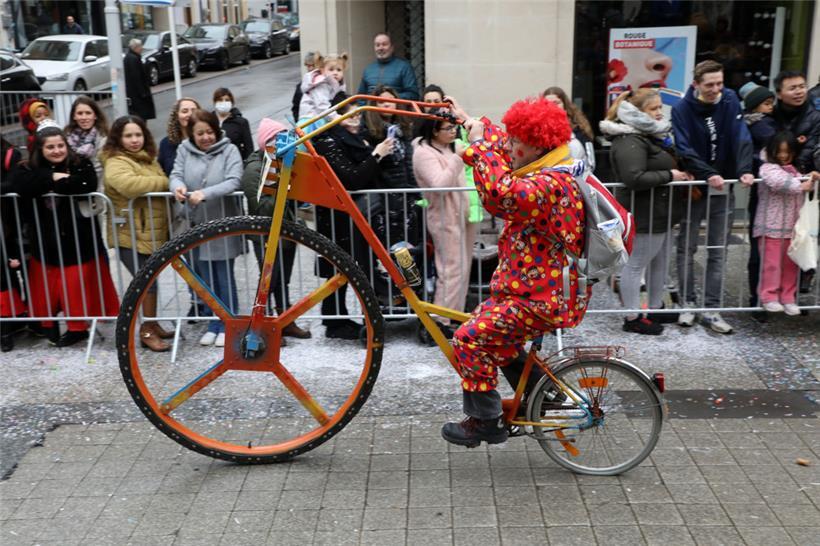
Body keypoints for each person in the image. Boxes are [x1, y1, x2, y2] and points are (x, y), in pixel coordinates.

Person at [441, 97, 589, 447]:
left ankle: (485, 420)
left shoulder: (551, 185)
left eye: (516, 141)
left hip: (539, 298)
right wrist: (470, 121)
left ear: (536, 145)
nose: (509, 146)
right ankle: (545, 394)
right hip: (528, 291)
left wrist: (478, 146)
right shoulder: (545, 165)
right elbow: (502, 150)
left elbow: (500, 194)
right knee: (501, 343)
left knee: (468, 339)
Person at [10, 122, 119, 347]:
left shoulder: (80, 162)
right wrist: (53, 178)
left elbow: (84, 184)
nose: (57, 151)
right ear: (41, 150)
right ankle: (48, 325)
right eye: (50, 147)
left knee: (75, 285)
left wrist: (53, 182)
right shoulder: (26, 168)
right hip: (45, 240)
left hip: (78, 239)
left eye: (60, 146)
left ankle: (77, 327)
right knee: (46, 289)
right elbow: (22, 186)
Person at [671, 60, 754, 334]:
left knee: (718, 249)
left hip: (723, 186)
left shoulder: (729, 99)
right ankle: (687, 303)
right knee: (686, 247)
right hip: (695, 186)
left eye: (719, 83)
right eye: (709, 84)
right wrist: (706, 173)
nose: (715, 89)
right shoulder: (683, 108)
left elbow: (741, 136)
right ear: (696, 84)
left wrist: (744, 170)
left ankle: (712, 308)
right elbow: (683, 147)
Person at [600, 89, 689, 335]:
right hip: (645, 212)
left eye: (660, 107)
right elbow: (633, 177)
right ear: (637, 112)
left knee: (659, 262)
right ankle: (632, 316)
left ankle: (655, 307)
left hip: (659, 211)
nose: (660, 113)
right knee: (636, 264)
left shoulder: (648, 135)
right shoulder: (629, 139)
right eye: (654, 109)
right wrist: (670, 175)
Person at [312, 93, 393, 339]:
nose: (355, 118)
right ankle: (337, 322)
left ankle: (342, 319)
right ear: (336, 116)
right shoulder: (328, 141)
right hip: (338, 217)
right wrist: (376, 154)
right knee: (341, 269)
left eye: (357, 113)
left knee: (350, 268)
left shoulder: (357, 138)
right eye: (348, 113)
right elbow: (352, 178)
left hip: (354, 215)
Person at [169, 110, 243, 347]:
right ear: (191, 133)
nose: (205, 137)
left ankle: (228, 322)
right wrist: (178, 188)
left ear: (216, 130)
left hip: (222, 222)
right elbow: (175, 174)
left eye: (209, 132)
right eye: (200, 133)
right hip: (195, 223)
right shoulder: (183, 150)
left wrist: (205, 194)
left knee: (223, 274)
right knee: (205, 277)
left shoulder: (229, 150)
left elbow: (234, 180)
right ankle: (213, 322)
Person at [100, 116, 173, 352]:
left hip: (149, 233)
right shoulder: (115, 161)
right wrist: (164, 182)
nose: (134, 140)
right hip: (129, 234)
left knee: (151, 281)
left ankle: (151, 323)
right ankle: (146, 332)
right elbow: (130, 185)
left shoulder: (147, 159)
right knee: (146, 283)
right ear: (118, 138)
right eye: (128, 136)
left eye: (138, 135)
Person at [240, 118, 311, 340]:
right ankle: (265, 328)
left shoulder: (283, 162)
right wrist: (282, 181)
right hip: (265, 234)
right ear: (265, 142)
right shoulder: (255, 168)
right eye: (276, 139)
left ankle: (285, 319)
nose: (283, 143)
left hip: (286, 229)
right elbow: (262, 206)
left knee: (283, 280)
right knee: (268, 282)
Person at [412, 112, 479, 338]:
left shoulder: (451, 147)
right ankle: (439, 321)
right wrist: (458, 159)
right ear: (434, 131)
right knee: (450, 270)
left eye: (454, 127)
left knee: (462, 269)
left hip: (463, 215)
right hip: (443, 216)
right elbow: (439, 185)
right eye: (447, 128)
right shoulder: (423, 152)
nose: (453, 131)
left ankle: (454, 318)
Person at [754, 132, 820, 315]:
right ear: (772, 151)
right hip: (770, 226)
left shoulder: (793, 169)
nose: (783, 156)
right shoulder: (767, 168)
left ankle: (788, 297)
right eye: (780, 152)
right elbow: (778, 182)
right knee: (772, 264)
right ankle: (769, 296)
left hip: (792, 227)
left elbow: (799, 181)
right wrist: (801, 185)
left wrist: (811, 178)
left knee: (791, 264)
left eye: (787, 152)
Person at [738, 82, 777, 313]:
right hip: (765, 189)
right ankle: (759, 297)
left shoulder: (761, 122)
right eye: (766, 103)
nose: (770, 107)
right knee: (761, 245)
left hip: (771, 189)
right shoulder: (761, 126)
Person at [1, 138, 27, 351]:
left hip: (11, 224)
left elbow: (15, 183)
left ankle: (13, 324)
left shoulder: (11, 153)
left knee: (9, 276)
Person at [772, 71, 820, 173]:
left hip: (801, 175)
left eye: (802, 87)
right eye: (792, 88)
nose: (799, 92)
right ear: (779, 94)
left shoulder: (815, 117)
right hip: (770, 172)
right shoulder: (770, 114)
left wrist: (795, 170)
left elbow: (810, 147)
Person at [65, 95, 109, 194]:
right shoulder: (66, 136)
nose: (84, 117)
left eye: (88, 113)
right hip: (74, 189)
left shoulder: (104, 138)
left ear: (95, 115)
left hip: (99, 189)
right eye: (80, 113)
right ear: (74, 116)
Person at [356, 33, 418, 100]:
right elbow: (360, 97)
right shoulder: (368, 69)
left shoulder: (404, 67)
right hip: (371, 109)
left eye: (384, 44)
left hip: (395, 109)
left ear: (392, 48)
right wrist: (365, 110)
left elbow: (413, 95)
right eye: (377, 45)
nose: (381, 48)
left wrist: (393, 97)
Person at [543, 86, 595, 166]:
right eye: (547, 104)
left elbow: (591, 163)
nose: (552, 106)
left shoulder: (578, 129)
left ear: (564, 104)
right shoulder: (539, 131)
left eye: (556, 103)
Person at [298, 52, 348, 127]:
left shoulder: (337, 84)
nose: (335, 73)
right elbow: (322, 105)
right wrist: (335, 117)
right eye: (331, 69)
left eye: (339, 70)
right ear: (322, 70)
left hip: (319, 117)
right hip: (310, 118)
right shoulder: (321, 84)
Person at [158, 97, 201, 175]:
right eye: (185, 111)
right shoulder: (166, 143)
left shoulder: (206, 140)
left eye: (194, 111)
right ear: (176, 116)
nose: (190, 114)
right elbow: (161, 171)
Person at [212, 87, 253, 160]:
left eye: (227, 100)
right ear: (215, 102)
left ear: (231, 103)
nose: (224, 102)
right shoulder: (208, 120)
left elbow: (249, 148)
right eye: (220, 100)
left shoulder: (241, 122)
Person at [124, 39, 156, 121]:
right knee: (140, 114)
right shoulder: (134, 59)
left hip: (133, 93)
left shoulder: (129, 57)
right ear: (136, 47)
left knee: (136, 114)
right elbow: (137, 77)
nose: (142, 48)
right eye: (140, 46)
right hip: (137, 94)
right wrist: (143, 93)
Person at [291, 52, 317, 122]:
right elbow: (296, 108)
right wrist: (299, 123)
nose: (311, 69)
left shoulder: (325, 84)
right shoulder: (300, 87)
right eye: (308, 66)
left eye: (313, 65)